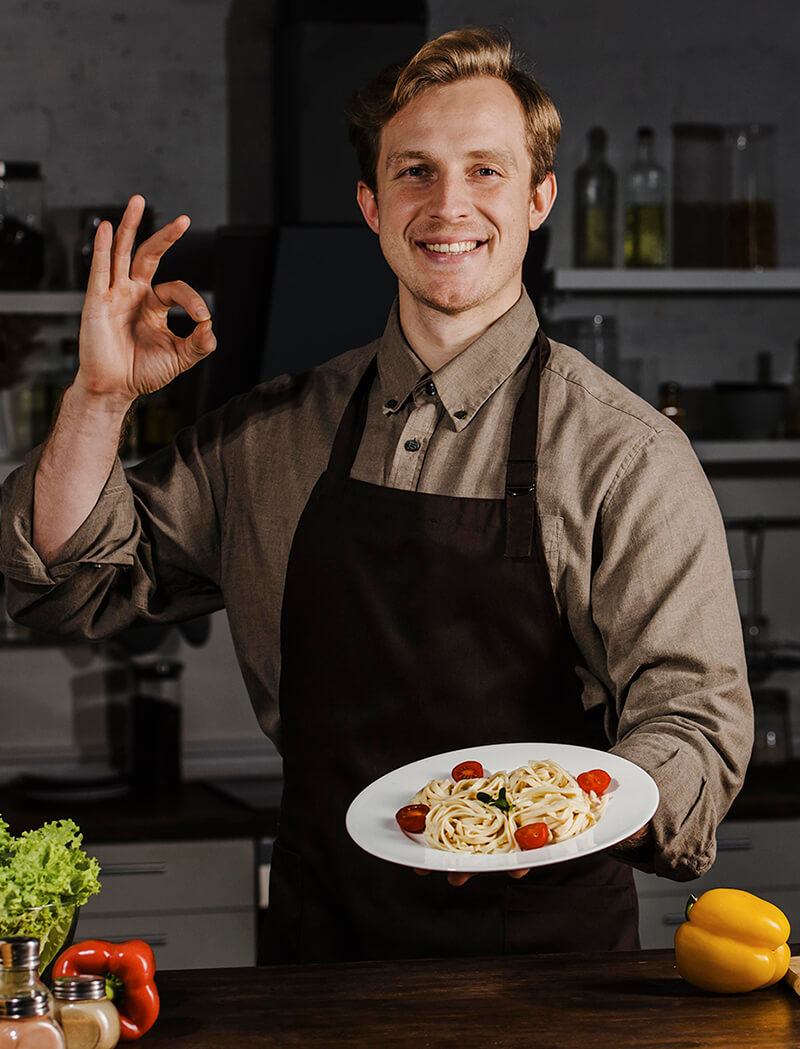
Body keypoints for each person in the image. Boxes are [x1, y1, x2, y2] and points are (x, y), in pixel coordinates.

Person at [0, 27, 752, 962]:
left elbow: (694, 721)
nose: (448, 205)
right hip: (320, 957)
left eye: (485, 171)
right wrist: (98, 398)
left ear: (538, 198)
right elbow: (69, 576)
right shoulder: (268, 435)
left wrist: (558, 817)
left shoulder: (627, 454)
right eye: (414, 172)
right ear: (371, 204)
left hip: (548, 971)